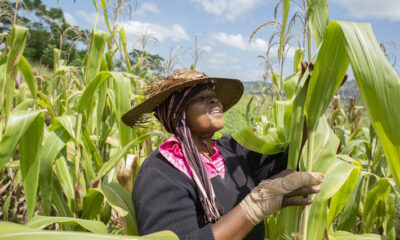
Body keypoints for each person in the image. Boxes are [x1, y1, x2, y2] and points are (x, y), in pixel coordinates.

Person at [121, 69, 323, 240]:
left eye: (213, 95)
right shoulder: (161, 172)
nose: (214, 100)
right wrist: (256, 206)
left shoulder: (231, 150)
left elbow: (287, 163)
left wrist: (315, 99)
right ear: (177, 112)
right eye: (199, 96)